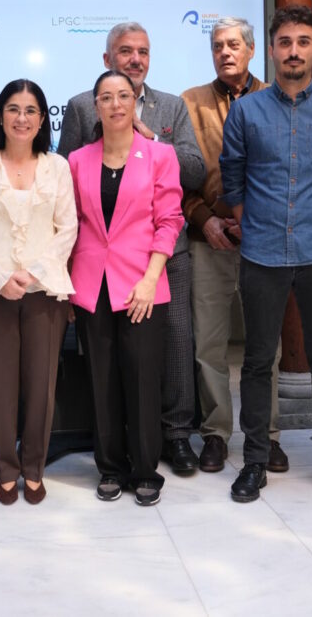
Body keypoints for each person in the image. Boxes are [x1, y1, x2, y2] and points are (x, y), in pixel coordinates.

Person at [219, 4, 312, 505]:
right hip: (260, 253)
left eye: (304, 42)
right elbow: (233, 181)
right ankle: (256, 461)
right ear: (273, 49)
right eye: (285, 42)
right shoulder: (246, 111)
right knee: (259, 360)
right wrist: (257, 224)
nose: (295, 51)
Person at [59, 21, 206, 475]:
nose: (135, 58)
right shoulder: (83, 107)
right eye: (125, 51)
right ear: (108, 60)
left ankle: (174, 438)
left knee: (175, 346)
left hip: (161, 256)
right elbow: (64, 184)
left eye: (142, 51)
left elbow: (196, 172)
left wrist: (149, 138)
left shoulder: (171, 107)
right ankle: (113, 455)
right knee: (105, 366)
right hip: (96, 266)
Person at [68, 70, 184, 506]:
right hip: (91, 282)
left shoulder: (158, 156)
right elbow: (72, 225)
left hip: (142, 283)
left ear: (136, 102)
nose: (116, 104)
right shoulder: (77, 160)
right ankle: (110, 467)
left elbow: (169, 220)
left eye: (124, 96)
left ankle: (145, 469)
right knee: (102, 378)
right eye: (106, 97)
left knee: (141, 378)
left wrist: (151, 279)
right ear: (94, 106)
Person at [0, 78, 77, 506]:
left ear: (42, 119)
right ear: (0, 116)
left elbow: (68, 228)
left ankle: (34, 468)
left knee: (41, 386)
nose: (21, 117)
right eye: (13, 108)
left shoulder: (57, 166)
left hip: (44, 291)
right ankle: (6, 469)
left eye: (30, 110)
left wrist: (32, 274)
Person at [181, 17, 288, 475]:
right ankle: (216, 434)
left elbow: (289, 171)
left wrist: (256, 221)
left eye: (233, 45)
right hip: (209, 238)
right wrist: (205, 221)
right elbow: (177, 176)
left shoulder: (278, 99)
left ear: (250, 51)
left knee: (267, 346)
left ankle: (267, 434)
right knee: (208, 343)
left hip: (263, 239)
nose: (225, 52)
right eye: (217, 46)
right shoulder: (188, 104)